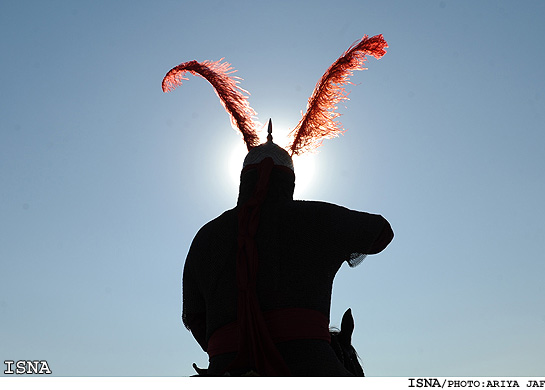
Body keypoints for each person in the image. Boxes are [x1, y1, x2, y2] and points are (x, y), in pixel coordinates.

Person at [162, 34, 392, 376]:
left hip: (226, 367)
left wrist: (235, 347)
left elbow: (194, 317)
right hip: (312, 364)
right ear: (290, 181)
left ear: (243, 181)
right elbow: (380, 232)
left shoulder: (205, 236)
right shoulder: (317, 218)